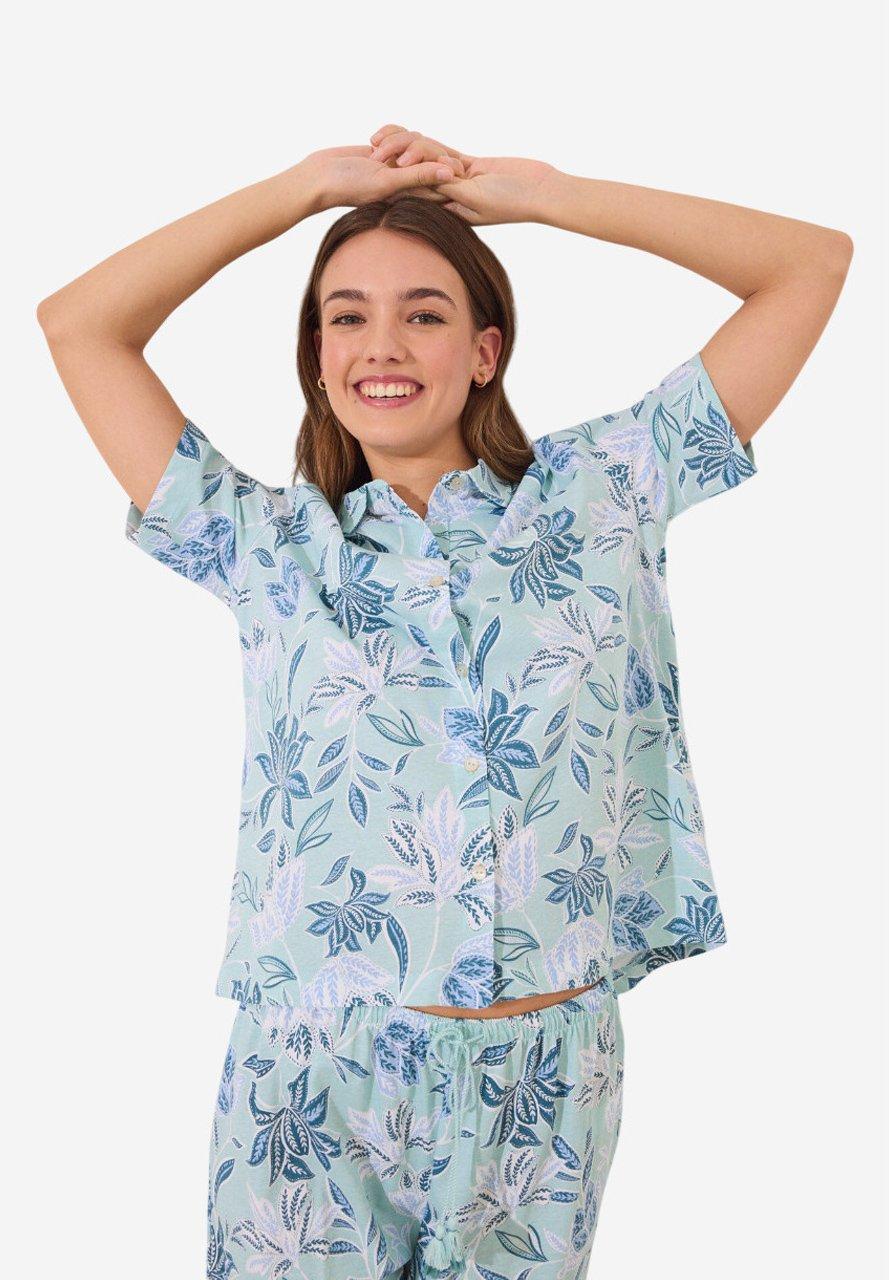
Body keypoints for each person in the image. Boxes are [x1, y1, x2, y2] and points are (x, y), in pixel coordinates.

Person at [36, 125, 852, 1279]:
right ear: (317, 358)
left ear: (483, 350)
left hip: (542, 1081)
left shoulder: (605, 492)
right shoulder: (266, 545)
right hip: (313, 1078)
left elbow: (809, 264)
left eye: (422, 313)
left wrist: (550, 196)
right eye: (346, 317)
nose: (381, 343)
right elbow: (79, 325)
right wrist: (301, 190)